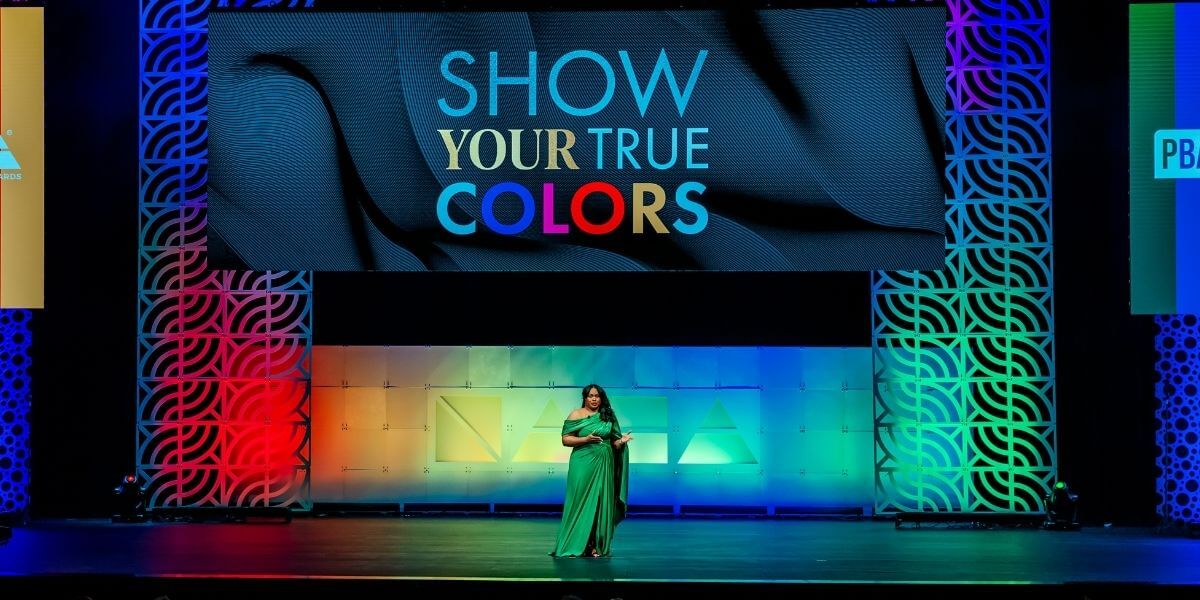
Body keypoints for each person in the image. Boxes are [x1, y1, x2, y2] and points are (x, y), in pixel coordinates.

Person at [549, 384, 633, 557]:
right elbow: (565, 440)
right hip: (582, 464)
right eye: (591, 396)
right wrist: (585, 439)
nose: (594, 399)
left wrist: (621, 441)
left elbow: (614, 443)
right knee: (579, 502)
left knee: (600, 503)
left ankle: (594, 545)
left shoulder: (608, 416)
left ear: (601, 398)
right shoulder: (576, 414)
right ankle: (574, 542)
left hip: (604, 464)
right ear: (585, 398)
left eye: (597, 396)